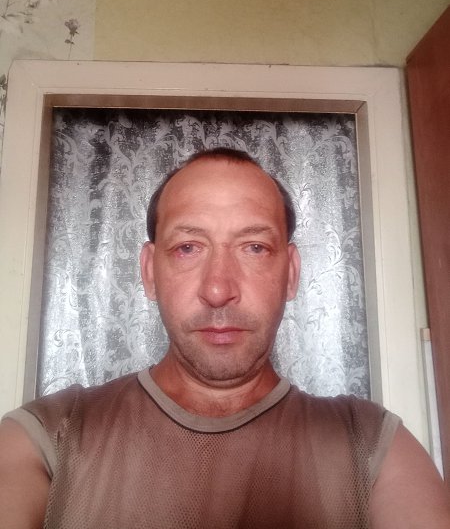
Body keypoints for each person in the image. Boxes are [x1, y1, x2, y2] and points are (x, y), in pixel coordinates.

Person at [0, 147, 449, 529]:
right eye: (188, 248)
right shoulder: (45, 439)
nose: (218, 289)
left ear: (291, 273)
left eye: (255, 247)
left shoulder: (373, 448)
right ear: (149, 273)